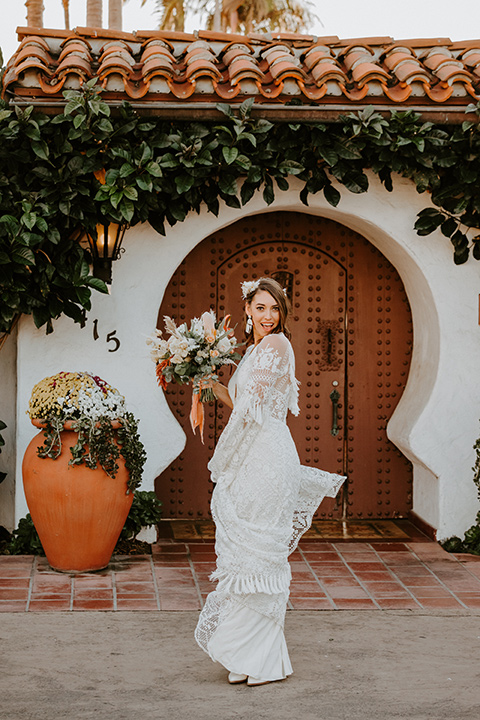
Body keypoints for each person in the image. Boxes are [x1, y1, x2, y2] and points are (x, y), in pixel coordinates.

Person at [195, 277, 345, 686]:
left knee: (259, 550)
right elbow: (237, 398)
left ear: (282, 314)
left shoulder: (277, 345)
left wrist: (223, 457)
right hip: (251, 451)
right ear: (247, 309)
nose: (267, 316)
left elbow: (249, 407)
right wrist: (204, 379)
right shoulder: (254, 350)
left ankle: (262, 659)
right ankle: (248, 655)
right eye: (260, 308)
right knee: (244, 552)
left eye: (274, 309)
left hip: (266, 455)